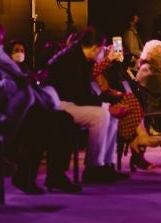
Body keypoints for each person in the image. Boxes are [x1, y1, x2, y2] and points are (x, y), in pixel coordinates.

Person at [0, 18, 81, 193]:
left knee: (63, 119)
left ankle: (53, 174)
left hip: (18, 109)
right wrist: (20, 82)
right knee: (44, 122)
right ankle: (27, 176)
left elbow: (14, 81)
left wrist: (27, 79)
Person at [46, 27, 128, 184]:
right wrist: (105, 106)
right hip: (59, 103)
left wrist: (106, 105)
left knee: (111, 115)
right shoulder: (71, 59)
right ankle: (93, 168)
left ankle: (106, 164)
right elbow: (77, 94)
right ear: (96, 47)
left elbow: (83, 92)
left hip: (70, 100)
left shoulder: (80, 57)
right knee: (102, 115)